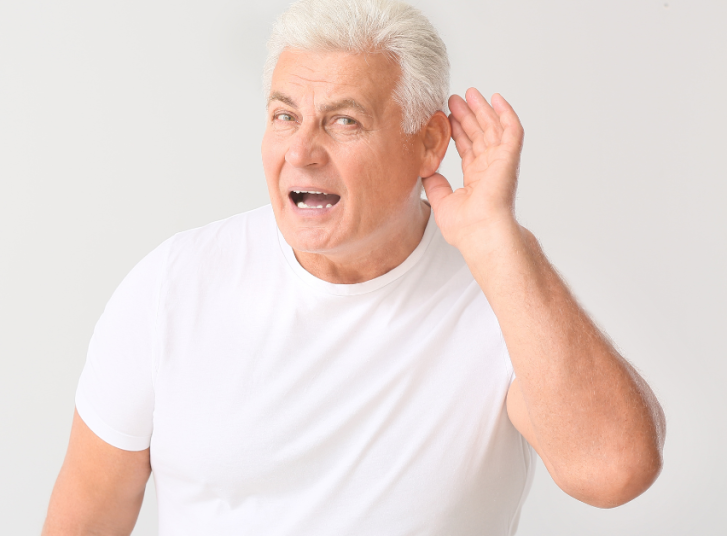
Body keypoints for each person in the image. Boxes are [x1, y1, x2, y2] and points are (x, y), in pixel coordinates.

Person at [43, 0, 666, 533]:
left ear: (428, 143)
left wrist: (501, 244)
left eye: (345, 121)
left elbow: (615, 471)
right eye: (285, 115)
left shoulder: (500, 295)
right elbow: (85, 521)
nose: (301, 151)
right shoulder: (172, 285)